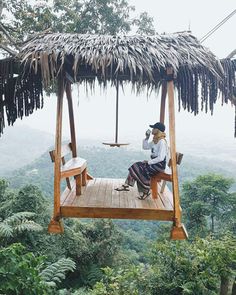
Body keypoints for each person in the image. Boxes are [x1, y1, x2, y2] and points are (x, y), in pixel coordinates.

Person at [115, 122, 169, 199]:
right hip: (154, 163)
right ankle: (126, 185)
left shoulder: (162, 142)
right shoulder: (155, 140)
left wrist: (149, 162)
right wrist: (147, 138)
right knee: (136, 165)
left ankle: (145, 191)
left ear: (158, 130)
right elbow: (145, 147)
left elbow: (161, 158)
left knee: (141, 170)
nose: (152, 130)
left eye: (154, 128)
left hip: (159, 165)